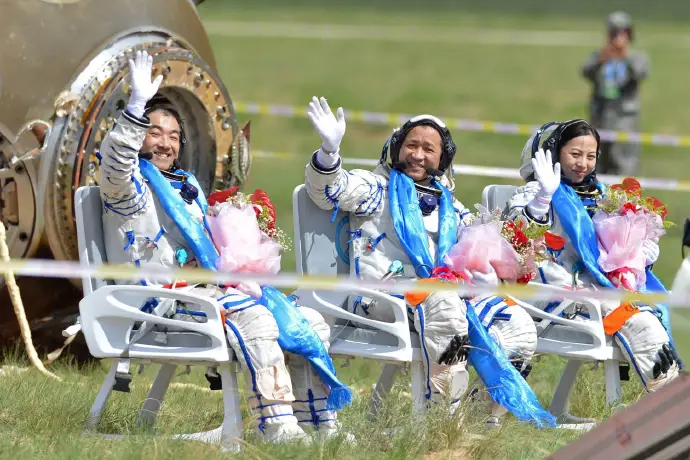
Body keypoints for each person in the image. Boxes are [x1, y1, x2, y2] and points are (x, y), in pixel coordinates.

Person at [98, 51, 346, 443]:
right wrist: (135, 108)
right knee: (257, 317)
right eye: (155, 133)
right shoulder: (130, 189)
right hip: (155, 301)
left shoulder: (189, 188)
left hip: (203, 292)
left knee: (308, 320)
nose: (164, 143)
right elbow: (115, 166)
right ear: (139, 136)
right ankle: (276, 425)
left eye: (173, 136)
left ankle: (317, 422)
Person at [304, 96, 538, 426]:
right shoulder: (376, 189)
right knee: (444, 302)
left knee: (518, 326)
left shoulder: (451, 207)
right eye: (411, 145)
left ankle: (479, 421)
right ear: (396, 148)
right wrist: (329, 152)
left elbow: (495, 243)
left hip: (439, 298)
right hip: (381, 297)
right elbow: (328, 191)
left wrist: (538, 206)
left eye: (428, 149)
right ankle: (443, 423)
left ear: (443, 158)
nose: (417, 154)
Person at [508, 119, 680, 393]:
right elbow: (511, 238)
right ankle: (670, 403)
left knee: (665, 312)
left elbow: (626, 248)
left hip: (600, 290)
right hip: (555, 291)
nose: (582, 164)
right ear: (554, 153)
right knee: (642, 323)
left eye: (590, 156)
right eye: (575, 154)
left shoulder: (606, 197)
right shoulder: (536, 192)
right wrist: (543, 198)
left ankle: (674, 401)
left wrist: (638, 253)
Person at [582, 11, 649, 175]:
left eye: (622, 32)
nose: (617, 37)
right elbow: (586, 72)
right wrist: (602, 59)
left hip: (624, 118)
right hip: (600, 115)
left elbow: (639, 74)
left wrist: (625, 57)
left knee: (623, 161)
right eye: (613, 32)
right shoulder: (600, 56)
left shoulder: (637, 57)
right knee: (597, 160)